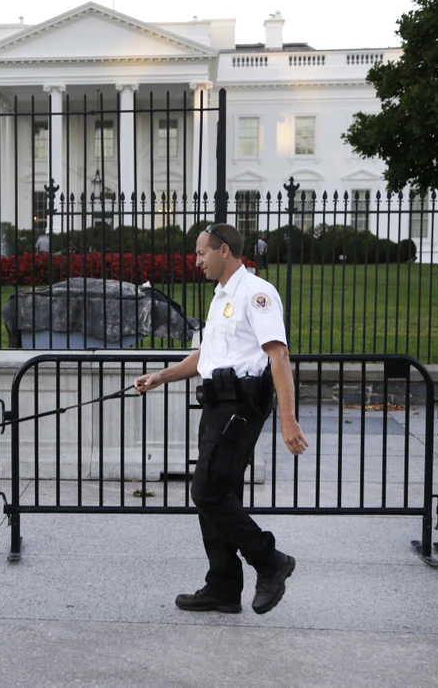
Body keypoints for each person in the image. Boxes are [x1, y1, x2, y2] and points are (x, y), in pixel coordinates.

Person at [134, 223, 307, 615]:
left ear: (224, 250)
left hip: (239, 408)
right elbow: (208, 355)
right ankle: (224, 587)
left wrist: (288, 418)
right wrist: (162, 376)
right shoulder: (222, 297)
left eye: (201, 253)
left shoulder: (256, 294)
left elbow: (278, 355)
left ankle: (270, 561)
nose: (196, 261)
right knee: (219, 495)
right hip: (216, 406)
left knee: (207, 492)